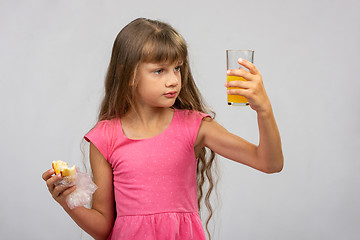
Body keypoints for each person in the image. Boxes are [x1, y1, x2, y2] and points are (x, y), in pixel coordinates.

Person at [42, 18, 283, 240]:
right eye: (159, 71)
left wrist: (264, 110)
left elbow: (269, 163)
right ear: (128, 75)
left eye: (177, 68)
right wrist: (67, 201)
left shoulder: (195, 126)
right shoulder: (105, 138)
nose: (174, 80)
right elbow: (104, 228)